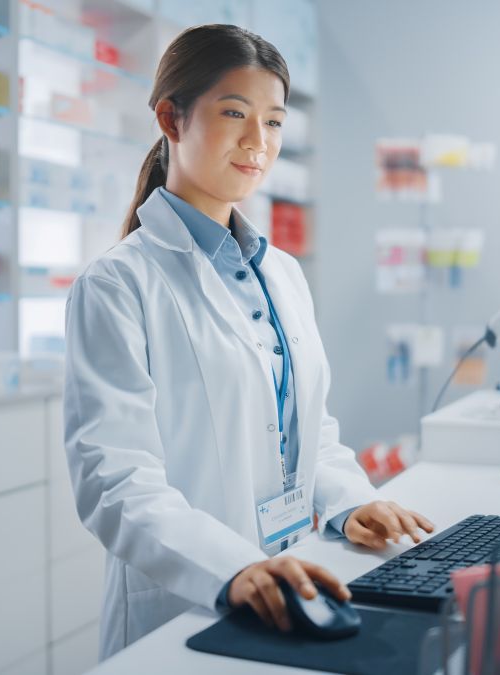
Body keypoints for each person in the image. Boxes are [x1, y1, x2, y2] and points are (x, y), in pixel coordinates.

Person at [63, 24, 435, 659]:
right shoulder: (117, 283)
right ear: (170, 118)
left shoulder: (283, 273)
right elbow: (115, 477)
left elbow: (307, 427)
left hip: (296, 573)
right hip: (185, 602)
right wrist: (229, 568)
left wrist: (351, 504)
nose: (257, 143)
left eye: (274, 122)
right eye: (234, 113)